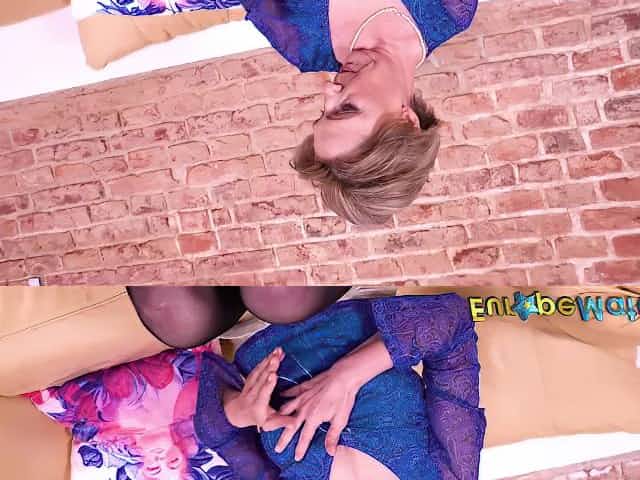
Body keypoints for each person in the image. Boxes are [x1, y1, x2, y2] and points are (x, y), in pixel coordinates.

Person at [92, 0, 478, 224]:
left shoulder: (304, 45)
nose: (329, 90)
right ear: (407, 119)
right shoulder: (447, 10)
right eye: (346, 108)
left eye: (324, 112)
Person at [28, 294, 485, 480]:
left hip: (242, 331)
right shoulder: (450, 470)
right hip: (336, 297)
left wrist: (243, 410)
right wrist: (350, 374)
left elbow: (222, 433)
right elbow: (453, 323)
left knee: (171, 312)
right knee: (276, 295)